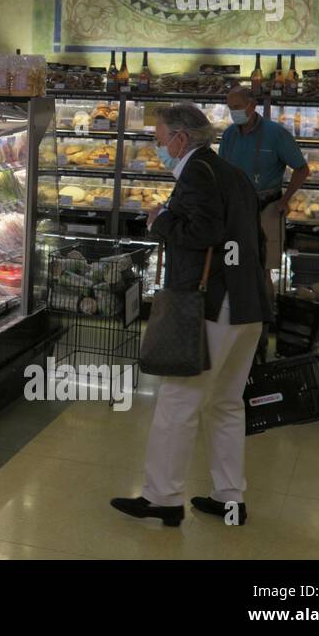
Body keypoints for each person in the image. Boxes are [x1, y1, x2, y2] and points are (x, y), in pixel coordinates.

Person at [111, 103, 269, 527]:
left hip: (211, 303)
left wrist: (160, 220)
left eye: (160, 138)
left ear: (181, 138)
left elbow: (202, 233)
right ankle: (229, 497)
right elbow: (255, 239)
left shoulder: (197, 173)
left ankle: (162, 498)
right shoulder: (232, 173)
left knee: (178, 400)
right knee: (226, 403)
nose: (158, 145)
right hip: (247, 303)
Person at [219, 85, 309, 301]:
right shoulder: (229, 134)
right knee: (233, 262)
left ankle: (263, 322)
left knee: (263, 267)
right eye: (230, 108)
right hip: (235, 211)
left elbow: (302, 169)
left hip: (266, 208)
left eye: (238, 107)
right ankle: (236, 315)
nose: (234, 112)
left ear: (253, 105)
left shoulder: (275, 134)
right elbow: (221, 170)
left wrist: (285, 200)